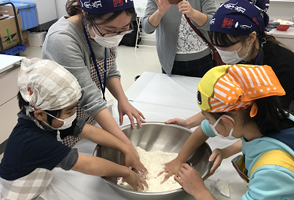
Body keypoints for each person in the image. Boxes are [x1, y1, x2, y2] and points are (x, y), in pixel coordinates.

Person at [164, 0, 294, 177]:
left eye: (226, 46)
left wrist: (226, 151)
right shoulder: (242, 56)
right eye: (216, 46)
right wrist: (189, 122)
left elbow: (264, 126)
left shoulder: (283, 68)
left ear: (251, 38)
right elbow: (224, 105)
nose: (220, 51)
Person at [0, 58, 147, 200]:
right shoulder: (32, 140)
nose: (74, 116)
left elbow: (89, 131)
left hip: (39, 186)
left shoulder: (48, 120)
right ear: (40, 114)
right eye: (69, 111)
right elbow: (87, 164)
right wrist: (125, 172)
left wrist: (125, 147)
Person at [177, 64, 294, 199]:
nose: (209, 124)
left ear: (228, 122)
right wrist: (178, 160)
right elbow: (205, 129)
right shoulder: (264, 117)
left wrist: (198, 190)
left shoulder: (273, 172)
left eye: (209, 119)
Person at [42, 0, 145, 148]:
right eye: (109, 30)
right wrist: (126, 146)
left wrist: (123, 100)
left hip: (88, 115)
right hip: (63, 119)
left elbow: (109, 71)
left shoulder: (100, 34)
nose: (116, 36)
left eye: (124, 29)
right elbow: (89, 97)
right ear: (85, 14)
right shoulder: (62, 38)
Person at [142, 0, 216, 77]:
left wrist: (193, 13)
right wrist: (159, 13)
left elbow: (213, 23)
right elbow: (147, 28)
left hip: (202, 57)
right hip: (170, 61)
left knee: (203, 88)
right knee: (171, 88)